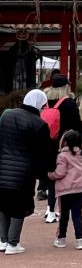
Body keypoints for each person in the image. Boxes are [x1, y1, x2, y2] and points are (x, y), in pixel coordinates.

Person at [0, 90, 51, 254]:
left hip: (2, 166)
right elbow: (43, 152)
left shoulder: (7, 115)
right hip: (23, 171)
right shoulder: (39, 124)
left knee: (3, 205)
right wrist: (44, 175)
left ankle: (3, 240)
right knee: (18, 206)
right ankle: (13, 243)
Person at [39, 88, 82, 223]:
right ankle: (60, 208)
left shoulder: (46, 103)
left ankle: (50, 210)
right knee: (65, 174)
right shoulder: (69, 103)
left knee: (52, 178)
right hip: (64, 144)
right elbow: (78, 123)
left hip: (48, 144)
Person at [48, 130, 82, 249]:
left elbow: (60, 172)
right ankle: (80, 239)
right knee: (77, 214)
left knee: (64, 215)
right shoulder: (80, 154)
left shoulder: (62, 156)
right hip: (79, 189)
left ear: (64, 142)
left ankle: (61, 239)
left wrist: (50, 175)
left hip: (65, 190)